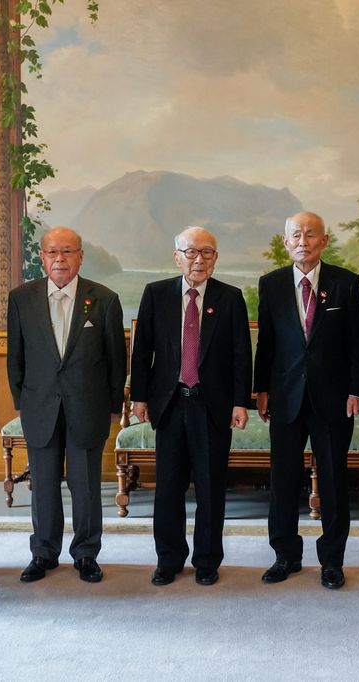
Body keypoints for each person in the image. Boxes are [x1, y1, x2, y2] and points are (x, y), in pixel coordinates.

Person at [130, 226, 252, 587]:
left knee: (211, 489)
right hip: (169, 405)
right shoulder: (157, 294)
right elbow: (142, 352)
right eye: (191, 252)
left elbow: (241, 355)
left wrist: (239, 402)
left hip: (212, 407)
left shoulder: (230, 297)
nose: (199, 260)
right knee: (168, 488)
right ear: (176, 256)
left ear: (216, 258)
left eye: (207, 253)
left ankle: (207, 561)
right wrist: (139, 396)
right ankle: (168, 559)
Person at [7, 227, 127, 584]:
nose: (60, 259)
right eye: (52, 252)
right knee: (43, 484)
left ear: (80, 256)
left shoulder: (103, 299)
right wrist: (21, 401)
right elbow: (16, 358)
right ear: (42, 257)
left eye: (68, 252)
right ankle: (43, 553)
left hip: (87, 407)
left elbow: (116, 360)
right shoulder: (21, 299)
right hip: (40, 406)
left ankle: (86, 553)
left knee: (85, 484)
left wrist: (112, 405)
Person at [254, 211, 359, 589]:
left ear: (324, 240)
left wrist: (356, 390)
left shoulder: (346, 283)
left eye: (310, 234)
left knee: (333, 481)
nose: (303, 241)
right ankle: (285, 555)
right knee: (283, 480)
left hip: (334, 399)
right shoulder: (270, 285)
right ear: (286, 242)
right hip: (285, 397)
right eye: (295, 235)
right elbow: (266, 343)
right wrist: (261, 390)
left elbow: (356, 344)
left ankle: (332, 560)